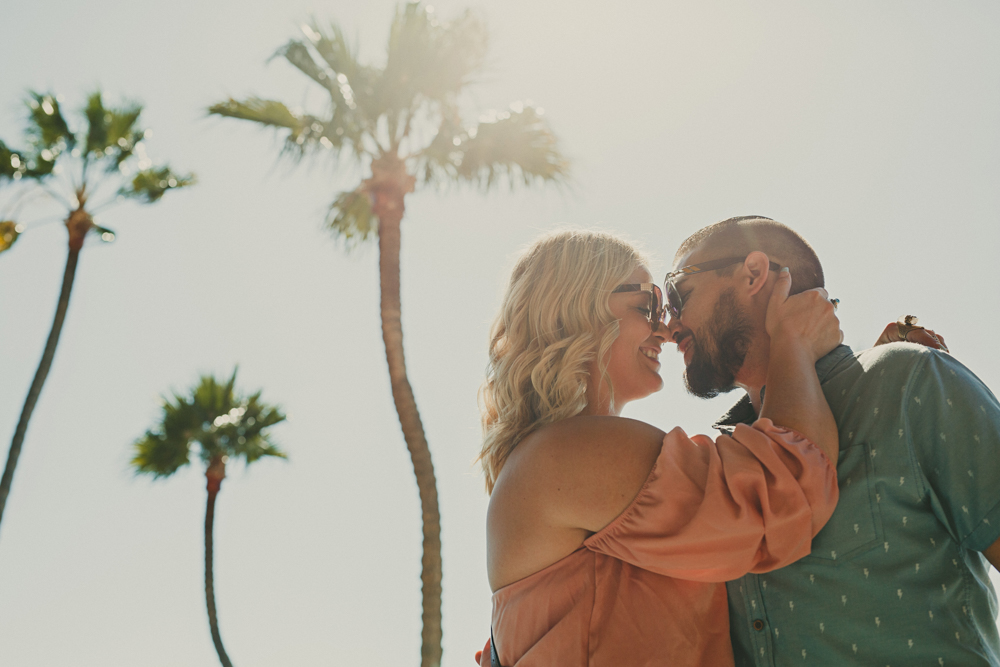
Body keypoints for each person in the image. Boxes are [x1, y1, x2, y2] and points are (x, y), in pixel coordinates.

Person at [476, 229, 843, 666]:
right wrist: (793, 341)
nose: (666, 330)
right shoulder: (565, 454)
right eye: (647, 304)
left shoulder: (552, 457)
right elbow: (784, 491)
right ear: (578, 306)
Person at [665, 215, 1000, 666]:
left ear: (753, 274)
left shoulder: (908, 383)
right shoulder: (721, 462)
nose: (669, 325)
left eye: (677, 294)